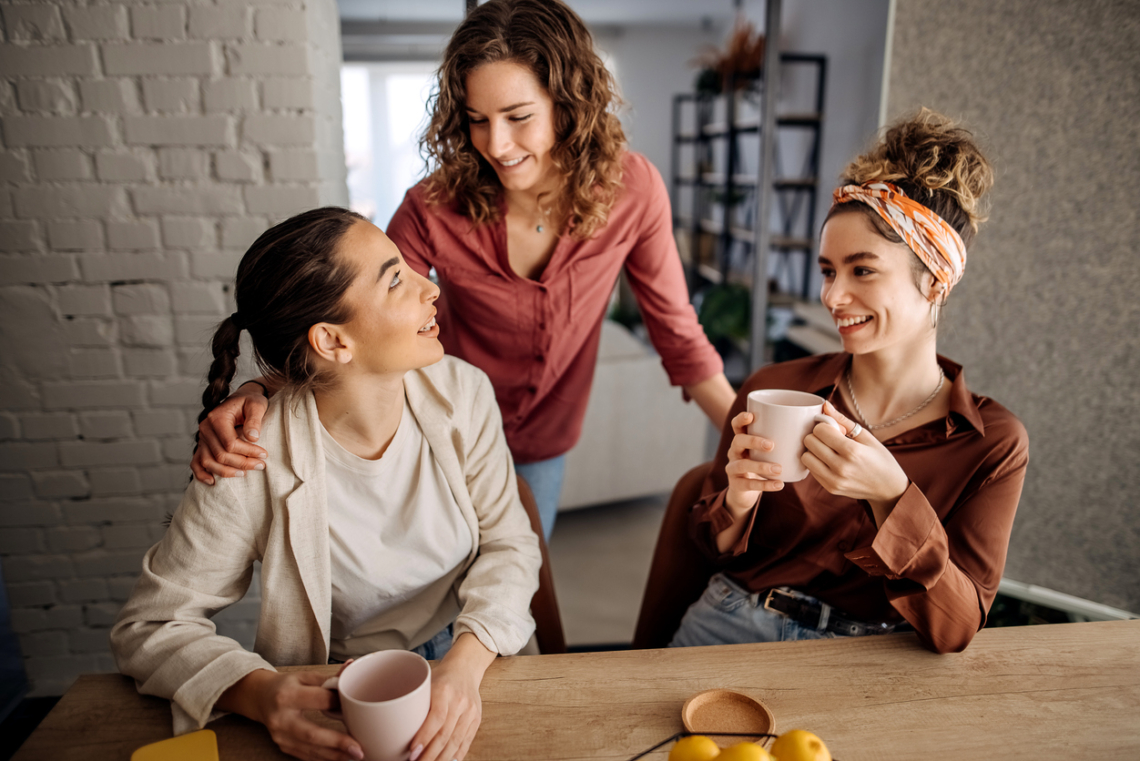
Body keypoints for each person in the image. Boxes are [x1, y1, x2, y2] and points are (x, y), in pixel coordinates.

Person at [189, 0, 734, 539]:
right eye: (477, 121)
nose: (496, 144)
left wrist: (749, 437)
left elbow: (678, 335)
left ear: (569, 106)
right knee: (431, 613)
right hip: (433, 436)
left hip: (543, 444)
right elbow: (354, 320)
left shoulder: (632, 190)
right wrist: (260, 389)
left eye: (518, 117)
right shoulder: (431, 205)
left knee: (511, 592)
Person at [111, 208, 541, 761]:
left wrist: (463, 668)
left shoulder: (464, 394)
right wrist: (261, 693)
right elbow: (149, 625)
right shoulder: (250, 453)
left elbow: (509, 542)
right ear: (333, 341)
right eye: (395, 279)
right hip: (346, 688)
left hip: (475, 648)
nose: (429, 287)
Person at [670, 109, 1029, 654]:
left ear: (933, 281)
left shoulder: (992, 444)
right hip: (729, 625)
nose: (833, 297)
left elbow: (956, 628)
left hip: (866, 658)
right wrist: (739, 499)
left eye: (862, 270)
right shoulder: (774, 389)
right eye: (827, 270)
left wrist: (892, 496)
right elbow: (712, 550)